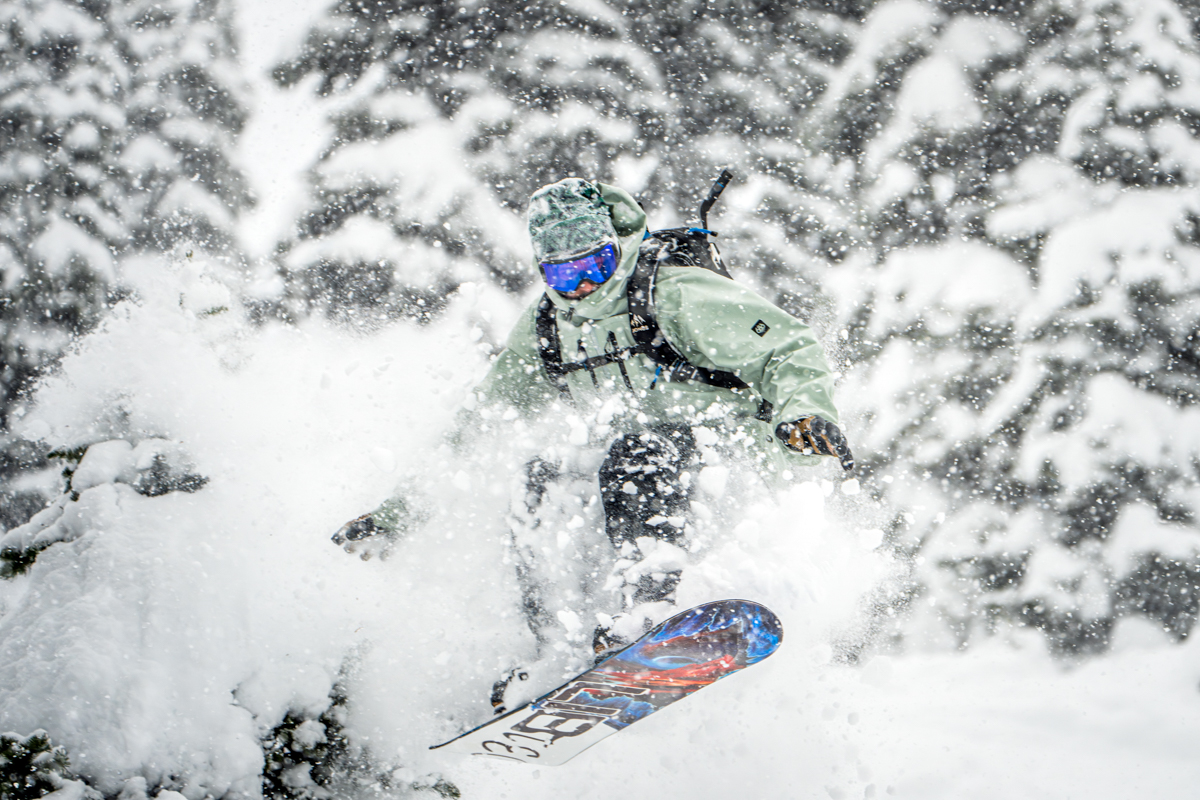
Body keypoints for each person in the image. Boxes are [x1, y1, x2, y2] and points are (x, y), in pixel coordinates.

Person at [333, 176, 852, 703]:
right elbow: (476, 429)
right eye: (563, 273)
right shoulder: (549, 328)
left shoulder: (671, 293)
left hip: (736, 454)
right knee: (545, 479)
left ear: (614, 249)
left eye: (593, 266)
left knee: (640, 453)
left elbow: (787, 345)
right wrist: (398, 515)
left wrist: (804, 414)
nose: (581, 285)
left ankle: (650, 610)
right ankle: (556, 650)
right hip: (644, 474)